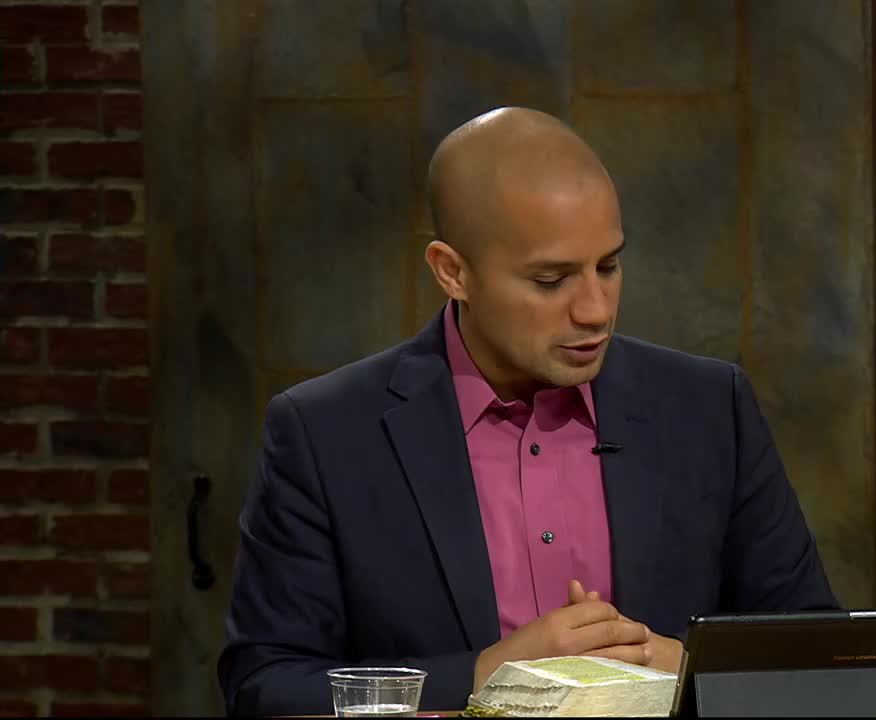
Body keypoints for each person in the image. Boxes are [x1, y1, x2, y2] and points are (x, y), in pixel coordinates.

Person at [217, 107, 837, 716]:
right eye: (551, 280)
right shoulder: (328, 433)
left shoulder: (708, 409)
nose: (595, 310)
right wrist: (487, 675)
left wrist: (688, 668)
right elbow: (265, 686)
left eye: (609, 266)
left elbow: (827, 661)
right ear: (452, 271)